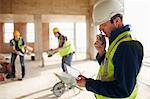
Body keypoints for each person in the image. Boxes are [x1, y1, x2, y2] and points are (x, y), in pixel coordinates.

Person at [76, 0, 144, 99]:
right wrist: (102, 52)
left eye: (103, 24)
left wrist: (88, 83)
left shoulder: (127, 47)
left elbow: (122, 90)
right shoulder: (117, 42)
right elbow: (110, 69)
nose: (100, 29)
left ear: (117, 21)